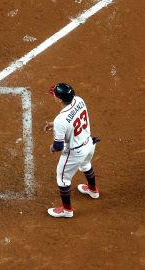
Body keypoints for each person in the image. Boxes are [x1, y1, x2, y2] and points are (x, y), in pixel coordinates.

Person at [44, 83, 100, 218]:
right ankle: (93, 190)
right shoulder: (79, 100)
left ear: (60, 99)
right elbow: (72, 120)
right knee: (86, 165)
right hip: (89, 144)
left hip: (75, 153)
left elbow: (58, 146)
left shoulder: (60, 120)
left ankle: (66, 210)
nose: (54, 96)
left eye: (55, 95)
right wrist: (55, 125)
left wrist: (52, 148)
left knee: (62, 179)